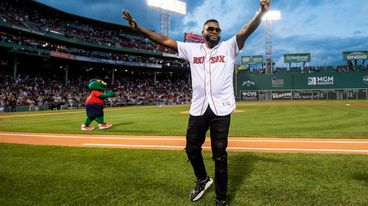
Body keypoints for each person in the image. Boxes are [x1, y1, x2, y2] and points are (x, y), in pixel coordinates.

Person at [122, 1, 270, 205]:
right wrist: (139, 29)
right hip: (199, 108)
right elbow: (165, 39)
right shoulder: (192, 49)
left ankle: (221, 199)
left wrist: (261, 13)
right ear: (203, 32)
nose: (215, 31)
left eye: (217, 29)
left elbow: (246, 30)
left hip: (221, 109)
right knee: (191, 149)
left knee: (220, 156)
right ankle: (202, 179)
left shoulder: (229, 47)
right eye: (210, 28)